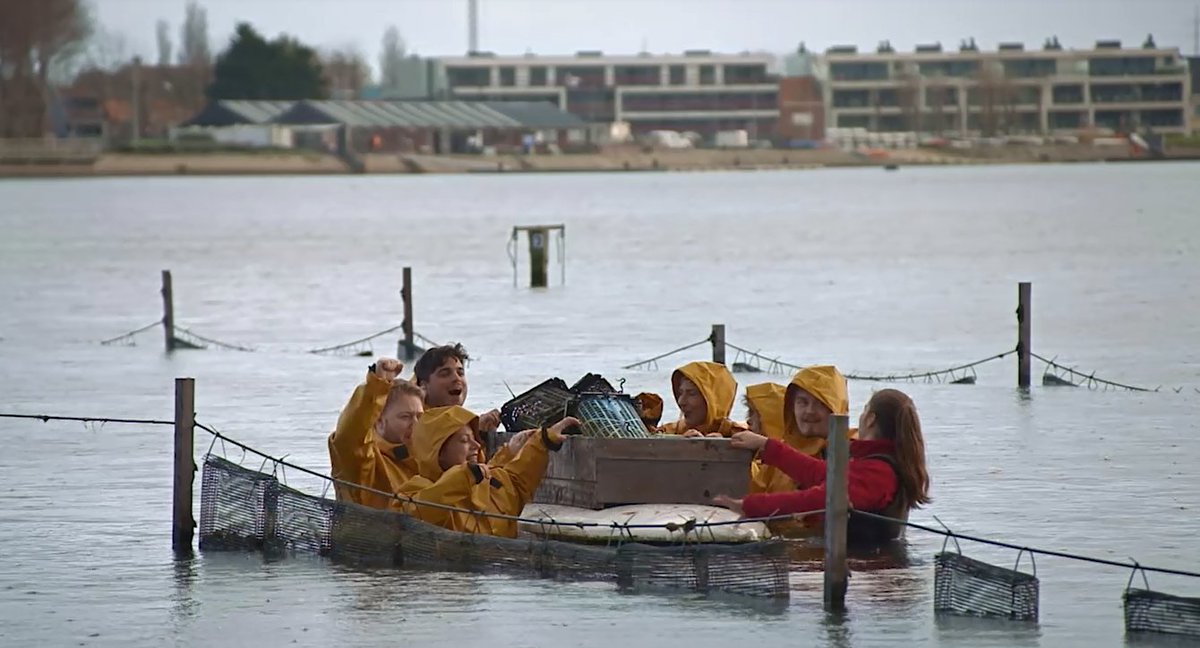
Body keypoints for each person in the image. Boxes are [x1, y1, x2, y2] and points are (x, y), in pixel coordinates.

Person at [714, 388, 931, 544]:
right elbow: (821, 472)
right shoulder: (872, 461)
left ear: (871, 419)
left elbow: (822, 497)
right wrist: (767, 446)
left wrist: (750, 506)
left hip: (867, 577)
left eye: (864, 410)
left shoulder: (878, 471)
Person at [396, 406, 579, 537]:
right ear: (437, 452)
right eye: (464, 440)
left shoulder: (491, 480)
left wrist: (543, 441)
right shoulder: (414, 490)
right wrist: (463, 476)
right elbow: (416, 514)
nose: (476, 445)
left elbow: (519, 480)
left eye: (475, 438)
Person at [328, 358, 425, 509]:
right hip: (368, 531)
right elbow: (350, 436)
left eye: (419, 417)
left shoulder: (428, 460)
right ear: (378, 421)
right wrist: (376, 386)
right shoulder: (365, 461)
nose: (416, 424)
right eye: (405, 417)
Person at [413, 343, 502, 434]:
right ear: (423, 386)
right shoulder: (414, 421)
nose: (457, 378)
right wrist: (475, 430)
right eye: (445, 374)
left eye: (460, 373)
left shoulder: (459, 421)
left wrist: (486, 435)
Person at [656, 361, 746, 438]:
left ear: (713, 400)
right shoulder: (667, 433)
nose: (681, 401)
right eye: (680, 393)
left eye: (691, 394)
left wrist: (721, 448)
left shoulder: (742, 438)